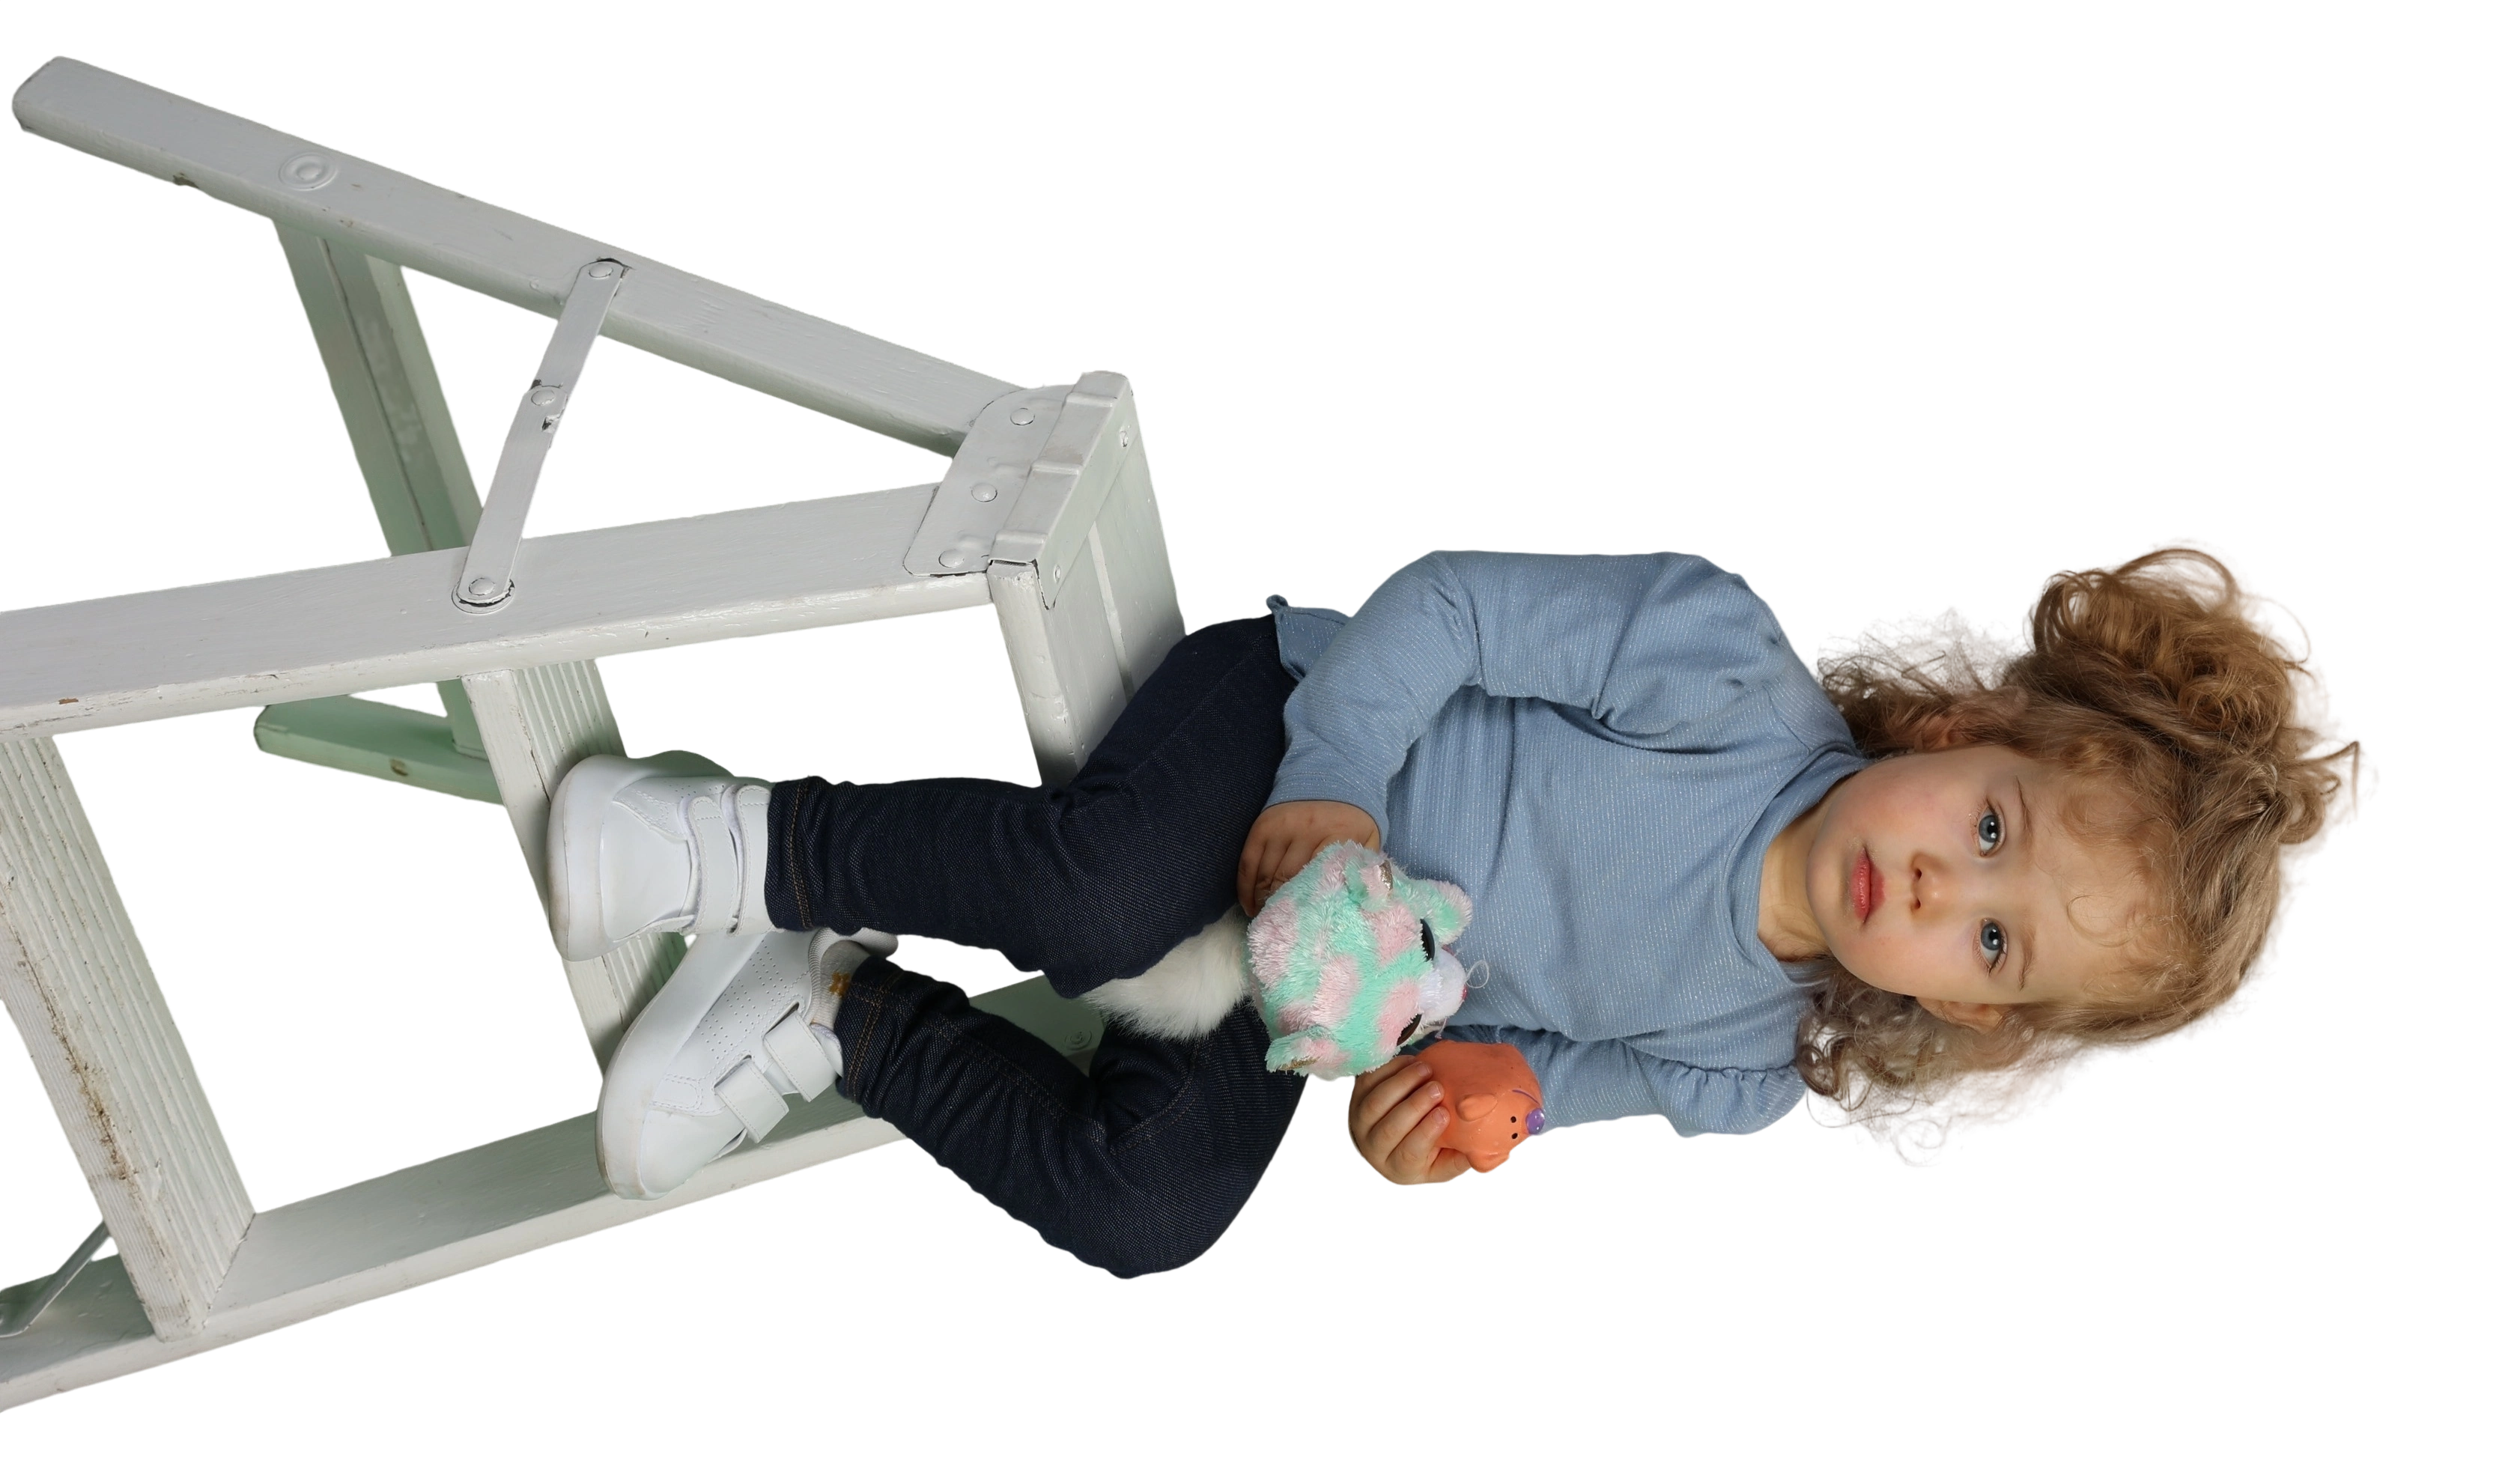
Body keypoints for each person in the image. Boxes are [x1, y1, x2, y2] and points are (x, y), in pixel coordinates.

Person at [547, 535, 2379, 1280]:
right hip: (1282, 740)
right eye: (1988, 824)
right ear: (1965, 726)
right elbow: (1449, 608)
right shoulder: (1726, 671)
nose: (1938, 883)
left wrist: (1444, 1120)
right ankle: (739, 847)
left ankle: (830, 1011)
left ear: (1980, 1017)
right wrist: (1336, 778)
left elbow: (1522, 1074)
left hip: (1301, 977)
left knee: (1156, 1206)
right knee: (1098, 892)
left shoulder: (1752, 1068)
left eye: (1992, 936)